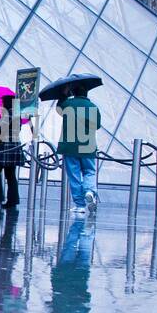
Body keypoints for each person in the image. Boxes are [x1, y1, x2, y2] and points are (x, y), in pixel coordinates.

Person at [56, 84, 101, 215]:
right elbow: (97, 126)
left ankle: (80, 205)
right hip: (88, 145)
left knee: (74, 175)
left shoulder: (68, 104)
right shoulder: (93, 107)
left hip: (69, 145)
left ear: (73, 92)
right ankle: (89, 191)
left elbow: (59, 109)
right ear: (86, 93)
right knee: (89, 171)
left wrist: (63, 95)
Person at [0, 94, 23, 208]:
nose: (1, 104)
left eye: (3, 102)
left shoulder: (7, 114)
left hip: (4, 146)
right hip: (14, 146)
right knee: (10, 174)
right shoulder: (17, 114)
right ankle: (13, 200)